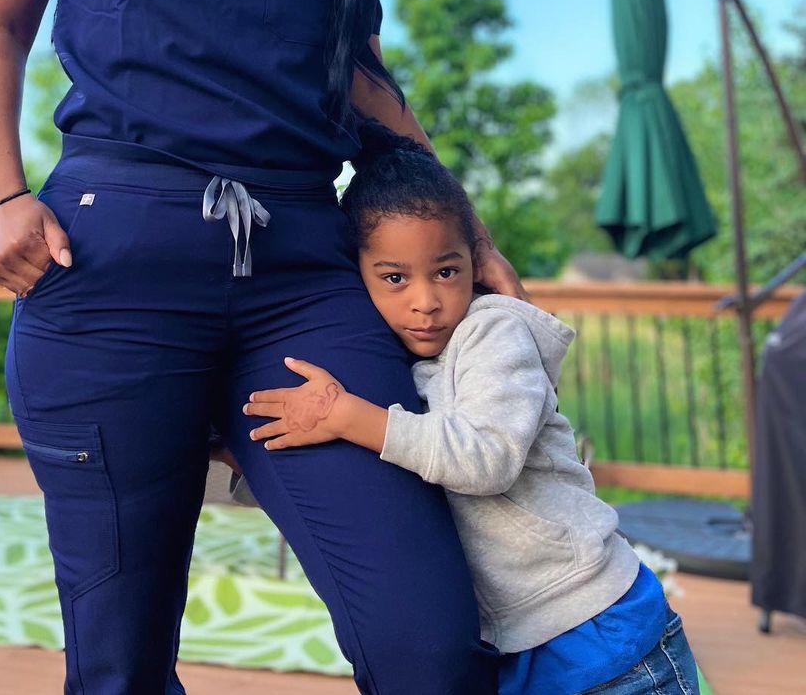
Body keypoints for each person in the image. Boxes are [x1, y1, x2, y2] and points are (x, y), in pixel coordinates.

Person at [0, 0, 513, 694]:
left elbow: (366, 86)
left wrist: (470, 234)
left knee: (429, 644)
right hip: (112, 274)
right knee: (120, 667)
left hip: (302, 279)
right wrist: (3, 199)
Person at [243, 122, 701, 695]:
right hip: (518, 643)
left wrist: (349, 417)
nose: (426, 301)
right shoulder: (392, 357)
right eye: (394, 278)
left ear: (475, 262)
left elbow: (486, 458)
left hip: (601, 633)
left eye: (446, 271)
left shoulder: (492, 335)